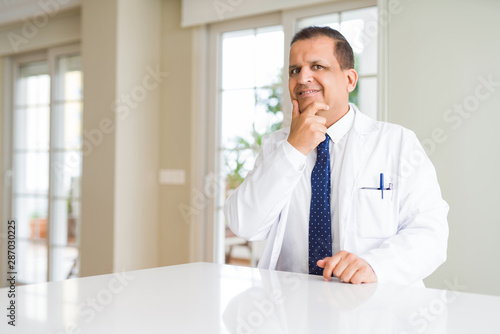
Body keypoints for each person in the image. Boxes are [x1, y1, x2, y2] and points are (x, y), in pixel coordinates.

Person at [224, 26, 449, 286]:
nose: (302, 77)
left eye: (317, 66)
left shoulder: (397, 143)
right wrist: (294, 149)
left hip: (372, 309)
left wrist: (375, 265)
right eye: (294, 70)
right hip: (291, 308)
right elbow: (245, 224)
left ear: (350, 80)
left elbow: (431, 234)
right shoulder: (276, 146)